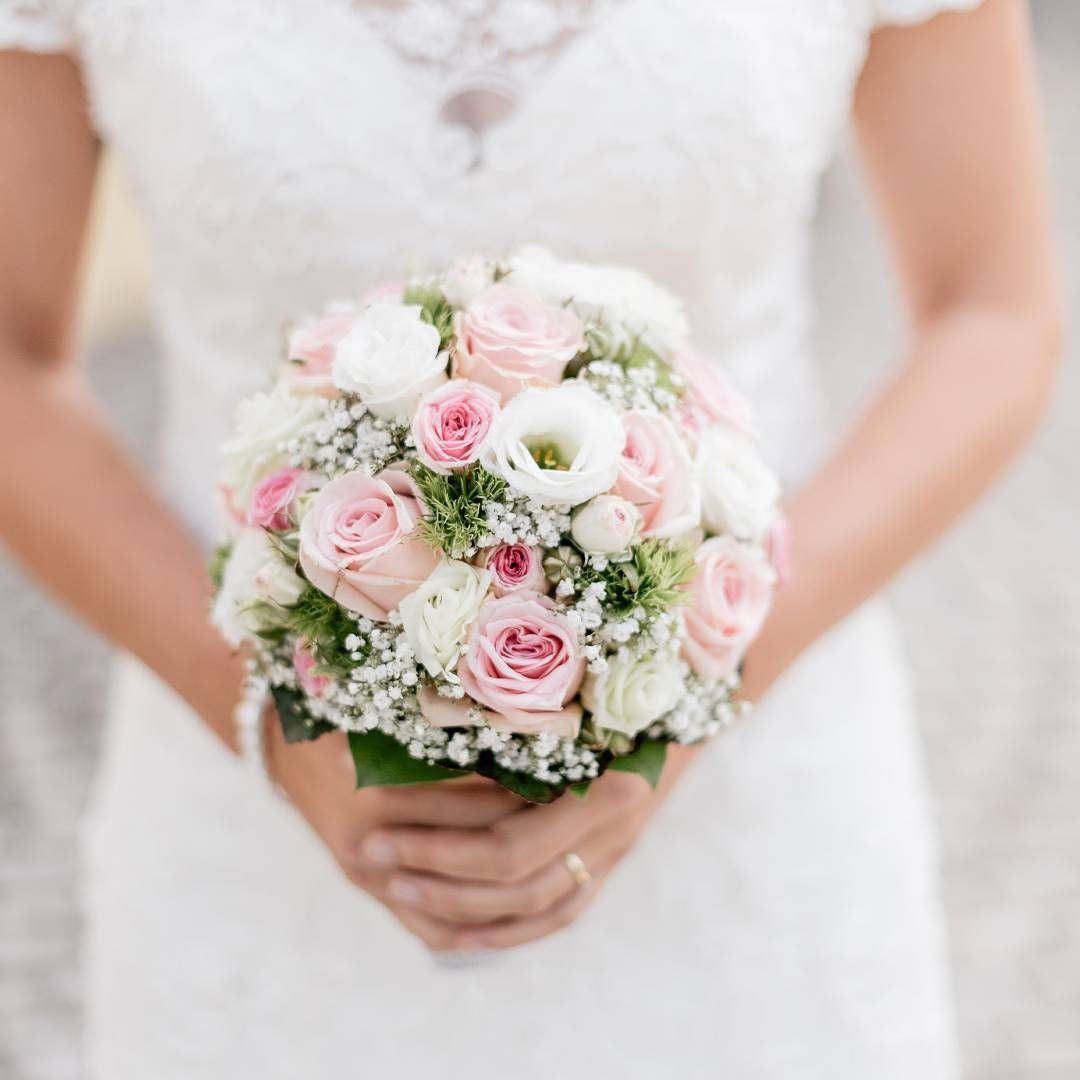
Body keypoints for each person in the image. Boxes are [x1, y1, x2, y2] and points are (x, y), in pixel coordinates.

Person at [0, 1, 1062, 1076]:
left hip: (757, 806)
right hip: (250, 828)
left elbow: (992, 310)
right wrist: (268, 721)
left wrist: (700, 689)